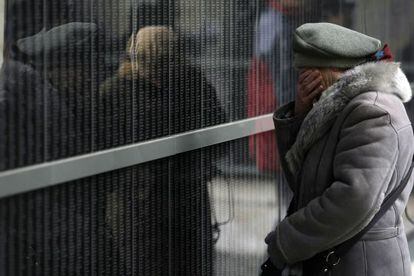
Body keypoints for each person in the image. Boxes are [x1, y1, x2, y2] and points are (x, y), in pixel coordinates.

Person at [265, 22, 414, 275]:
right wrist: (302, 115)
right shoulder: (336, 107)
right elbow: (304, 184)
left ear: (332, 68)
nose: (302, 80)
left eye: (307, 71)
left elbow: (354, 199)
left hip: (363, 264)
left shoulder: (372, 110)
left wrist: (286, 240)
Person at [99, 26, 226, 275]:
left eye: (165, 64)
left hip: (179, 202)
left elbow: (219, 135)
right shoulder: (115, 91)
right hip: (139, 207)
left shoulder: (191, 83)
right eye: (150, 63)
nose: (157, 73)